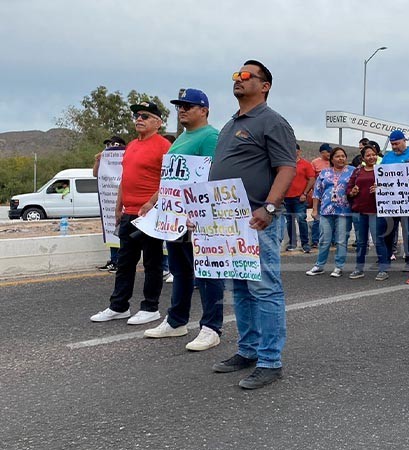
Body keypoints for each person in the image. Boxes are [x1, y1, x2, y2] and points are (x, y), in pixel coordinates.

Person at [208, 60, 298, 390]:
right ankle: (248, 350)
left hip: (257, 219)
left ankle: (270, 361)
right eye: (236, 74)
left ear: (265, 86)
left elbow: (286, 167)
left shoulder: (272, 122)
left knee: (264, 288)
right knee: (241, 287)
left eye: (247, 76)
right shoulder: (231, 124)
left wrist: (269, 206)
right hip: (227, 221)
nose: (239, 79)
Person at [141, 88, 224, 351]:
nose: (182, 110)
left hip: (196, 217)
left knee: (208, 272)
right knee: (180, 270)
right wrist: (153, 200)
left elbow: (212, 175)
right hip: (173, 214)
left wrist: (200, 212)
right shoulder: (180, 139)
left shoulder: (211, 136)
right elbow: (172, 178)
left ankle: (211, 327)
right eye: (180, 106)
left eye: (189, 106)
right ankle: (177, 321)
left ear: (204, 110)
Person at [90, 102, 171, 325]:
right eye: (136, 115)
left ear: (158, 122)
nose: (139, 119)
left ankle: (150, 307)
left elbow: (169, 181)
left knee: (153, 262)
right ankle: (119, 306)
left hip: (150, 214)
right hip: (128, 214)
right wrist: (118, 207)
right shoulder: (132, 146)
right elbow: (125, 180)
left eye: (145, 116)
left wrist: (151, 203)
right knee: (125, 262)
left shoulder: (164, 146)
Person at [306, 147, 355, 277]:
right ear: (332, 159)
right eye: (338, 156)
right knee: (324, 239)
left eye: (343, 156)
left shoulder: (352, 171)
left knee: (341, 239)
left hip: (344, 210)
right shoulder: (324, 173)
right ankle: (319, 265)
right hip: (326, 210)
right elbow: (317, 192)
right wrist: (315, 209)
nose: (341, 159)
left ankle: (339, 266)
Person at [345, 146, 391, 280]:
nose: (372, 157)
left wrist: (380, 189)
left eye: (374, 155)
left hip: (376, 211)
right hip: (360, 210)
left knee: (378, 240)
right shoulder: (357, 171)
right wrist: (351, 192)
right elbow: (349, 188)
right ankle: (359, 269)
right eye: (368, 155)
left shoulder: (381, 171)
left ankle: (383, 269)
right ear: (363, 158)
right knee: (361, 242)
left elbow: (390, 188)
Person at [381, 130, 409, 271]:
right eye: (392, 144)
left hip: (408, 201)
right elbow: (381, 175)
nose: (395, 147)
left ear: (404, 141)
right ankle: (387, 257)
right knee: (389, 230)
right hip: (390, 201)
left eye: (397, 143)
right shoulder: (388, 156)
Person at [95, 136, 127, 272]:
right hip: (109, 200)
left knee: (123, 233)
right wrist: (98, 161)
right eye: (107, 145)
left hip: (124, 200)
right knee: (111, 230)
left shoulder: (127, 157)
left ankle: (121, 262)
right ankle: (114, 260)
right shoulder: (105, 160)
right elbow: (95, 174)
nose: (109, 147)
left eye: (112, 145)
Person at [283, 144, 316, 253]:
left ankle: (305, 243)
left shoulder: (305, 164)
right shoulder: (284, 164)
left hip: (299, 198)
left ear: (299, 151)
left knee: (301, 219)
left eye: (294, 150)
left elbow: (311, 179)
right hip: (286, 198)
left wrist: (305, 193)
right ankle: (292, 243)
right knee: (289, 221)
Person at [310, 143, 332, 248]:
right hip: (319, 194)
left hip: (332, 195)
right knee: (317, 218)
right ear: (322, 152)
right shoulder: (315, 162)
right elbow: (311, 177)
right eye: (327, 152)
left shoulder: (333, 161)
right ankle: (315, 240)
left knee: (332, 218)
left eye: (330, 151)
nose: (329, 153)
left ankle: (332, 240)